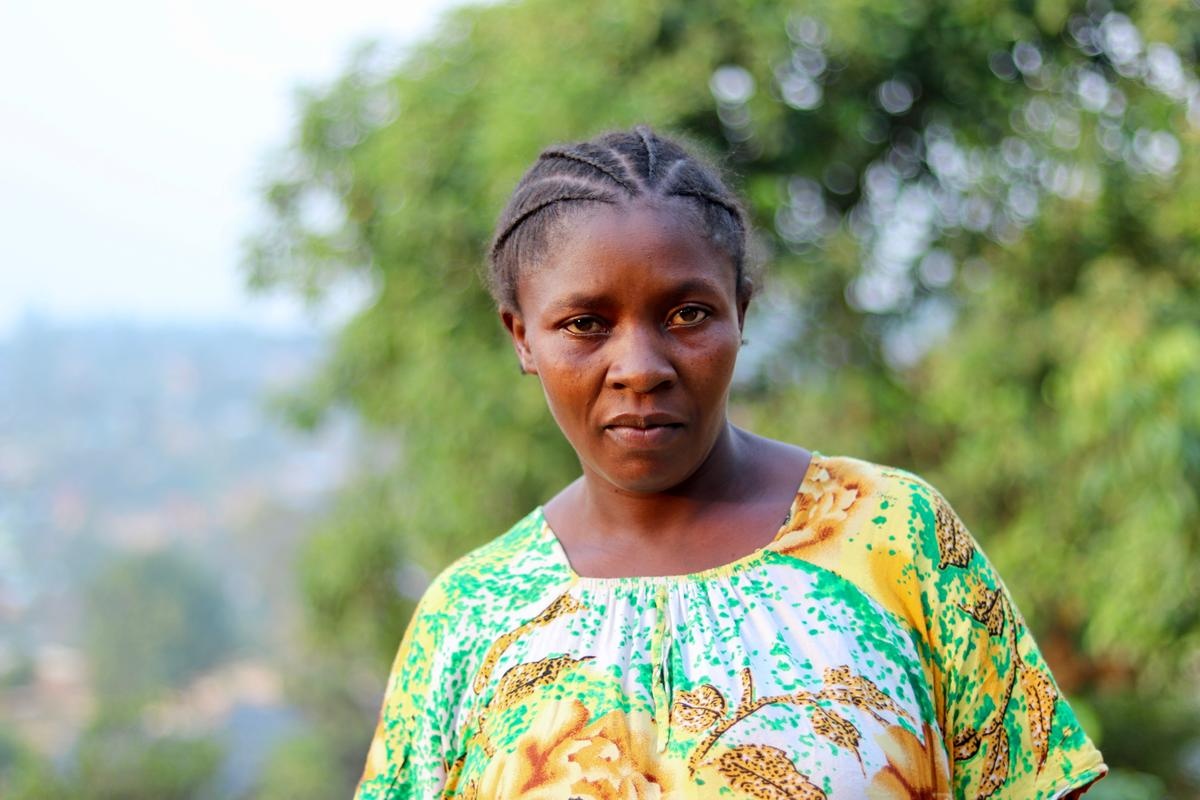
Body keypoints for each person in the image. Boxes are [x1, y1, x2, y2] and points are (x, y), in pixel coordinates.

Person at [352, 127, 1106, 799]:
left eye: (687, 314)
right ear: (522, 337)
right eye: (585, 324)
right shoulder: (471, 617)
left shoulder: (892, 536)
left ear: (741, 309)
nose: (640, 367)